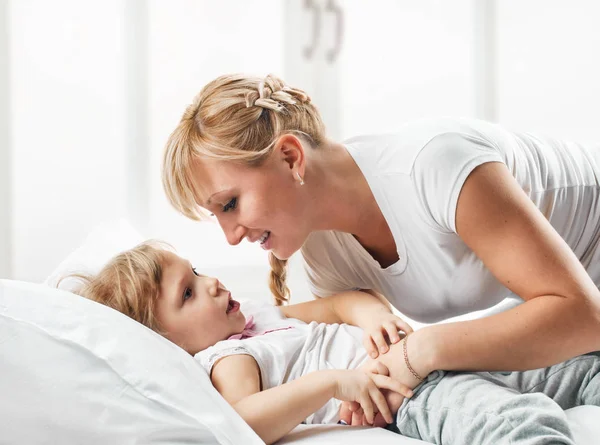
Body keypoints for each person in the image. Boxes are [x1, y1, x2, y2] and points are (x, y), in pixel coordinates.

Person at [161, 73, 600, 396]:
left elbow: (585, 317)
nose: (230, 237)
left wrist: (427, 350)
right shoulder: (322, 252)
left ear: (291, 157)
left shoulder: (434, 166)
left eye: (230, 204)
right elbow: (374, 357)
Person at [73, 241, 599, 445]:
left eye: (198, 272)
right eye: (188, 293)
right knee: (504, 421)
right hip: (405, 393)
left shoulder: (259, 318)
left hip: (433, 355)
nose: (211, 283)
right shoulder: (227, 357)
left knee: (570, 365)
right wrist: (331, 381)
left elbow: (341, 302)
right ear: (165, 341)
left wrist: (371, 316)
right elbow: (245, 421)